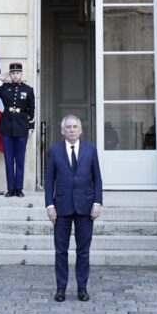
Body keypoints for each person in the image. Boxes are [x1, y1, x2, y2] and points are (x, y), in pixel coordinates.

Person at [45, 115, 103, 302]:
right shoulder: (54, 151)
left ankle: (82, 288)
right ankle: (61, 288)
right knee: (61, 251)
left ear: (80, 130)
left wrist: (97, 202)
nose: (71, 130)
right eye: (68, 127)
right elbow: (48, 181)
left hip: (85, 207)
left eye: (74, 127)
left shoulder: (90, 150)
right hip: (61, 207)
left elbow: (97, 179)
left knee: (83, 251)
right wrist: (49, 205)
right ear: (62, 131)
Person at [0, 62, 35, 197]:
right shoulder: (4, 88)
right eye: (12, 73)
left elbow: (32, 110)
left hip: (22, 127)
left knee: (20, 159)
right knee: (8, 159)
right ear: (10, 74)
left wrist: (31, 127)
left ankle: (19, 188)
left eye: (17, 73)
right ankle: (10, 188)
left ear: (21, 74)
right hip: (6, 127)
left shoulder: (28, 90)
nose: (15, 75)